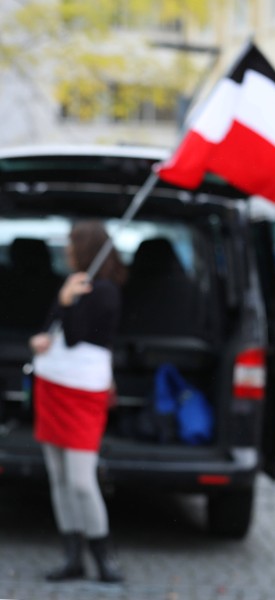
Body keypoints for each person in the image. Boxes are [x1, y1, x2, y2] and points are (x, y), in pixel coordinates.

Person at [29, 221, 126, 584]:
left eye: (71, 243)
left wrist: (68, 301)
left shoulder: (105, 291)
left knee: (81, 481)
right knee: (59, 478)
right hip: (53, 385)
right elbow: (50, 330)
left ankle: (103, 557)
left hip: (82, 391)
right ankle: (73, 558)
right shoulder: (75, 283)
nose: (67, 250)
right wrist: (59, 307)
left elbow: (75, 336)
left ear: (84, 247)